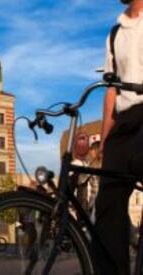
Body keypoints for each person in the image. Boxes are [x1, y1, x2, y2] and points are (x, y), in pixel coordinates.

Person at [95, 0, 143, 274]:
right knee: (107, 202)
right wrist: (105, 136)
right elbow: (110, 89)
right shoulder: (115, 34)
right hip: (124, 120)